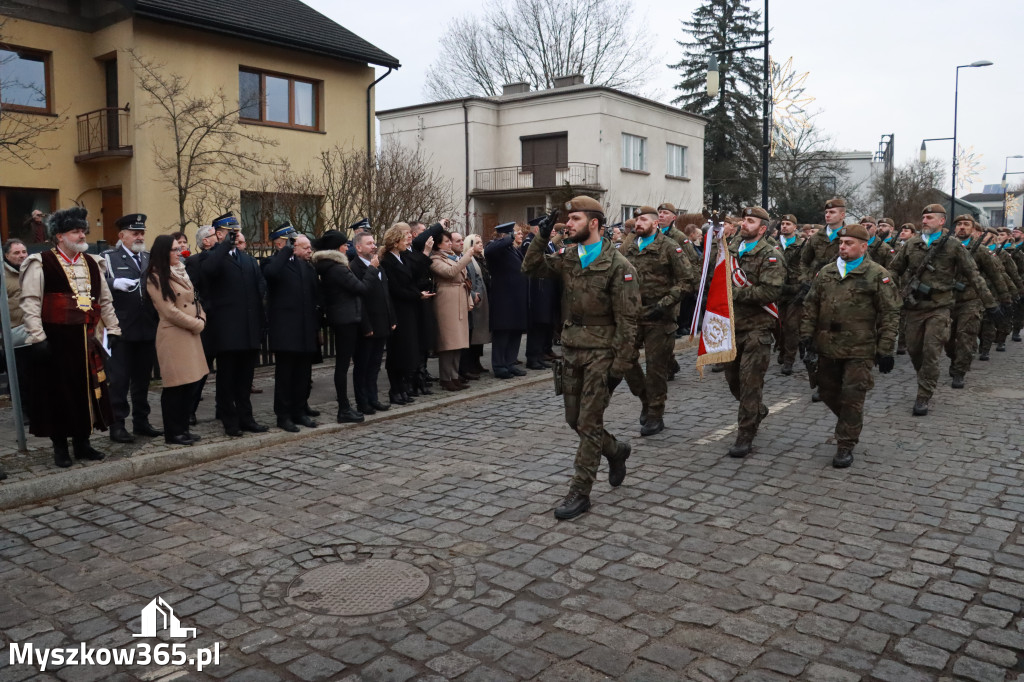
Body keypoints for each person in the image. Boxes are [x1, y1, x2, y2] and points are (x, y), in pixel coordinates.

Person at [522, 196, 640, 520]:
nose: (568, 224)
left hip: (602, 352)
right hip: (572, 349)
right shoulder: (570, 257)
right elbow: (530, 266)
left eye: (574, 219)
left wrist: (620, 365)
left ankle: (580, 492)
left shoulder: (619, 267)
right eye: (567, 219)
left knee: (589, 423)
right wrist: (541, 237)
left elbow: (629, 321)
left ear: (594, 224)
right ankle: (616, 451)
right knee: (574, 420)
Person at [20, 207, 120, 467]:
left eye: (82, 230)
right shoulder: (41, 262)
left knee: (87, 391)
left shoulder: (93, 262)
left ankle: (83, 443)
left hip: (86, 338)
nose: (81, 235)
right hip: (56, 340)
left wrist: (115, 328)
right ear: (59, 237)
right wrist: (38, 337)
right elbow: (31, 302)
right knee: (58, 394)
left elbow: (105, 301)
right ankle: (60, 448)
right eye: (75, 231)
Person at [801, 224, 900, 468]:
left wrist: (886, 349)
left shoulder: (877, 274)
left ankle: (845, 443)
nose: (842, 247)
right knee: (826, 392)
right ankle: (850, 423)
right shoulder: (826, 272)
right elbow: (810, 305)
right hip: (827, 346)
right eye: (841, 243)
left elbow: (890, 313)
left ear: (863, 246)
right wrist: (805, 337)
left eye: (848, 243)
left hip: (860, 348)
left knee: (852, 397)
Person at [887, 204, 998, 416]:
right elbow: (894, 268)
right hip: (914, 307)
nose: (925, 221)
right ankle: (926, 376)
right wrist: (891, 288)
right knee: (914, 349)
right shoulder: (912, 244)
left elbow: (974, 275)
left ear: (941, 221)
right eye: (924, 217)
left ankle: (924, 394)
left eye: (930, 217)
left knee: (931, 350)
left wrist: (991, 303)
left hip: (940, 307)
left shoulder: (953, 246)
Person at [622, 206, 693, 436]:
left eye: (642, 219)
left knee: (655, 368)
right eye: (636, 219)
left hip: (660, 316)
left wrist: (664, 304)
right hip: (633, 314)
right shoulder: (629, 246)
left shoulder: (670, 247)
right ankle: (645, 398)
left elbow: (686, 281)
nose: (637, 223)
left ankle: (655, 414)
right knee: (624, 360)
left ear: (655, 223)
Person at [723, 207, 785, 458]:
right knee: (733, 382)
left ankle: (745, 434)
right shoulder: (730, 250)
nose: (743, 224)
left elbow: (770, 293)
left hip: (757, 329)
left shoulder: (770, 256)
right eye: (743, 220)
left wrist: (734, 293)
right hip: (732, 328)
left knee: (750, 385)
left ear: (762, 229)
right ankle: (757, 410)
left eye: (750, 221)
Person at [200, 213, 268, 436]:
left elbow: (258, 294)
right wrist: (223, 246)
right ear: (219, 234)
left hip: (248, 330)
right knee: (227, 380)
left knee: (245, 379)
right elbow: (208, 271)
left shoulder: (247, 260)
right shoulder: (212, 258)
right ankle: (230, 421)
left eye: (237, 232)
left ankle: (246, 418)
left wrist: (260, 326)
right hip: (227, 332)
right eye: (231, 232)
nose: (235, 235)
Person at [102, 214, 162, 443]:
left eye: (142, 233)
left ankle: (142, 421)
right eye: (134, 233)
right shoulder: (109, 258)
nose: (139, 237)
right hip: (121, 329)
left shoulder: (148, 258)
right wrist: (112, 283)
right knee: (118, 381)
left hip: (147, 327)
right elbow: (94, 282)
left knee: (142, 380)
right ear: (121, 236)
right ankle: (117, 425)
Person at [145, 235, 207, 445]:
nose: (179, 251)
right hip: (173, 335)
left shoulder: (181, 270)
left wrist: (202, 316)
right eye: (174, 249)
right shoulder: (155, 276)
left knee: (190, 384)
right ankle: (173, 432)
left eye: (179, 248)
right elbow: (169, 311)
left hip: (190, 333)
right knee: (175, 386)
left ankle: (184, 428)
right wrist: (196, 323)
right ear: (164, 252)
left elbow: (194, 299)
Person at [263, 233, 320, 432]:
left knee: (303, 376)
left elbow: (314, 296)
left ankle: (299, 411)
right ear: (292, 247)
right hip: (286, 331)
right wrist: (287, 249)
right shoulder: (275, 263)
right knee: (285, 376)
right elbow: (270, 274)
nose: (309, 251)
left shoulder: (307, 266)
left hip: (305, 329)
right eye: (305, 247)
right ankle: (283, 415)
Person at [313, 228, 369, 422]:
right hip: (345, 319)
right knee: (342, 366)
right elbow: (361, 288)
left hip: (344, 317)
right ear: (337, 248)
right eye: (345, 244)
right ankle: (343, 408)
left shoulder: (331, 266)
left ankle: (345, 407)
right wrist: (372, 269)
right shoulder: (336, 268)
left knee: (343, 364)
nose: (348, 247)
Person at [947, 218, 1010, 387]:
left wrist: (1005, 300)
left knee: (966, 336)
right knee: (948, 339)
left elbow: (996, 276)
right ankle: (955, 360)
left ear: (974, 230)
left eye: (966, 225)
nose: (961, 227)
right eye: (959, 225)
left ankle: (960, 371)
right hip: (947, 300)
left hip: (972, 299)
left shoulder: (981, 251)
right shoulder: (944, 248)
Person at [380, 223, 434, 404]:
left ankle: (403, 387)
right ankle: (394, 389)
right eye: (404, 238)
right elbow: (396, 289)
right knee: (397, 351)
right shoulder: (388, 260)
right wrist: (418, 295)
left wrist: (419, 293)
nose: (407, 241)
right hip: (398, 310)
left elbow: (413, 276)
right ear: (395, 242)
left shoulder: (402, 257)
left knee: (408, 350)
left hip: (409, 309)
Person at [349, 231, 395, 415]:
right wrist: (366, 326)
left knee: (375, 364)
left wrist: (392, 318)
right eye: (369, 243)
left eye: (374, 243)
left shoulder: (378, 265)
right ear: (358, 247)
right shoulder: (354, 268)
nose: (374, 246)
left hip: (382, 322)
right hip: (367, 326)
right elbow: (360, 299)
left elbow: (385, 295)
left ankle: (373, 398)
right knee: (363, 365)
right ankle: (363, 402)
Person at [430, 229, 481, 390]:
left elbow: (463, 276)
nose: (450, 244)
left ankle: (454, 375)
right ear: (438, 245)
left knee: (459, 341)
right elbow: (450, 272)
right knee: (448, 341)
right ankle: (446, 377)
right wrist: (468, 255)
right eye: (446, 242)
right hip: (447, 300)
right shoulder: (435, 259)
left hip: (459, 297)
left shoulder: (453, 257)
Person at [485, 222, 529, 379]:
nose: (518, 235)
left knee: (515, 332)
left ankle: (510, 363)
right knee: (502, 333)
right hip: (503, 299)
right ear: (505, 235)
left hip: (517, 298)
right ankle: (499, 366)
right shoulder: (495, 247)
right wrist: (508, 237)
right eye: (515, 233)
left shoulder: (513, 250)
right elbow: (488, 251)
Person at [185, 225, 217, 423]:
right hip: (207, 322)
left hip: (225, 321)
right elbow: (192, 292)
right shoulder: (194, 261)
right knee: (202, 369)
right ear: (206, 241)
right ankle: (189, 409)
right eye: (216, 235)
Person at [523, 223, 561, 370]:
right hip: (538, 289)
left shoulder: (548, 243)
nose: (552, 231)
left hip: (548, 288)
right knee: (537, 326)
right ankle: (533, 357)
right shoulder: (530, 242)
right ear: (538, 229)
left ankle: (540, 354)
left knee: (545, 325)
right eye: (549, 228)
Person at [3, 238, 30, 419]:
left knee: (35, 374)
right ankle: (24, 412)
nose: (21, 256)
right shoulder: (2, 276)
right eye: (16, 253)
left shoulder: (33, 270)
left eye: (23, 252)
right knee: (20, 376)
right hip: (14, 333)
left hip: (36, 330)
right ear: (6, 255)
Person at [776, 214, 805, 375]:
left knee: (792, 326)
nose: (784, 226)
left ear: (795, 227)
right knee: (778, 325)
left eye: (788, 224)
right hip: (777, 290)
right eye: (783, 224)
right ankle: (781, 350)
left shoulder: (802, 245)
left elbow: (806, 265)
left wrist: (801, 284)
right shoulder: (773, 244)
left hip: (795, 290)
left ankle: (789, 360)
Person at [460, 233, 491, 378]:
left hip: (483, 297)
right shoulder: (469, 259)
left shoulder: (482, 259)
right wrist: (475, 293)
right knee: (474, 335)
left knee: (480, 333)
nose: (481, 244)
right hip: (475, 299)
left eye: (481, 242)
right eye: (477, 242)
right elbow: (470, 278)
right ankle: (470, 364)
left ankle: (477, 362)